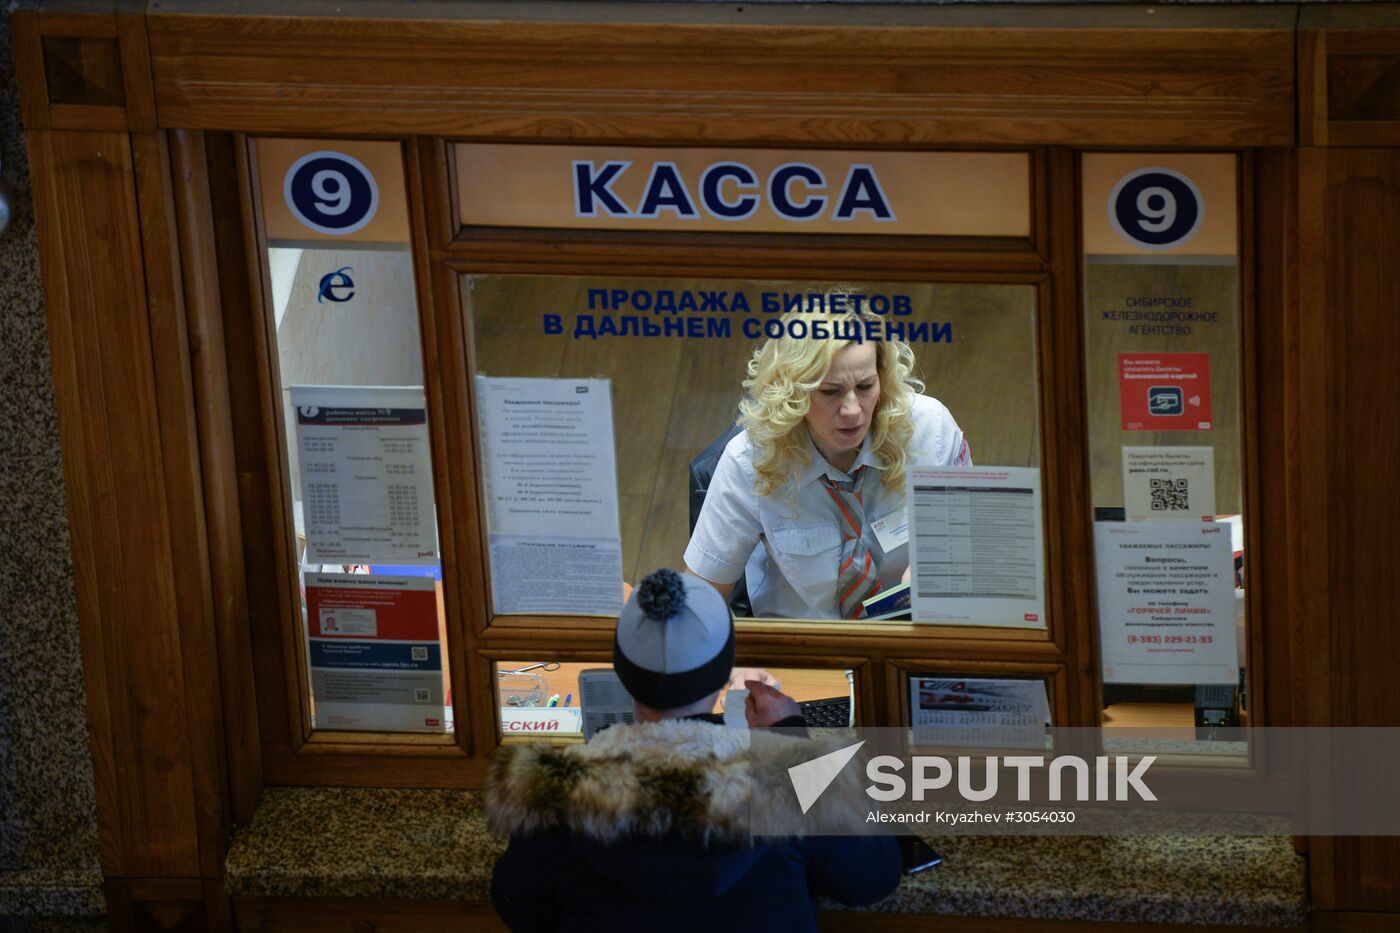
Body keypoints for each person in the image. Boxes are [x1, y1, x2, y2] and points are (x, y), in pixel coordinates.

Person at [486, 569, 900, 932]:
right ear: (725, 672)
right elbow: (872, 878)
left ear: (622, 672)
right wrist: (791, 741)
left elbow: (519, 908)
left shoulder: (554, 795)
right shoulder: (790, 787)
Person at [685, 322, 971, 619]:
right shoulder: (749, 460)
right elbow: (701, 601)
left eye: (864, 387)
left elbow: (972, 542)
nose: (852, 410)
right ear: (792, 392)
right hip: (802, 649)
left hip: (916, 634)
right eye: (830, 391)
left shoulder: (930, 429)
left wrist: (938, 569)